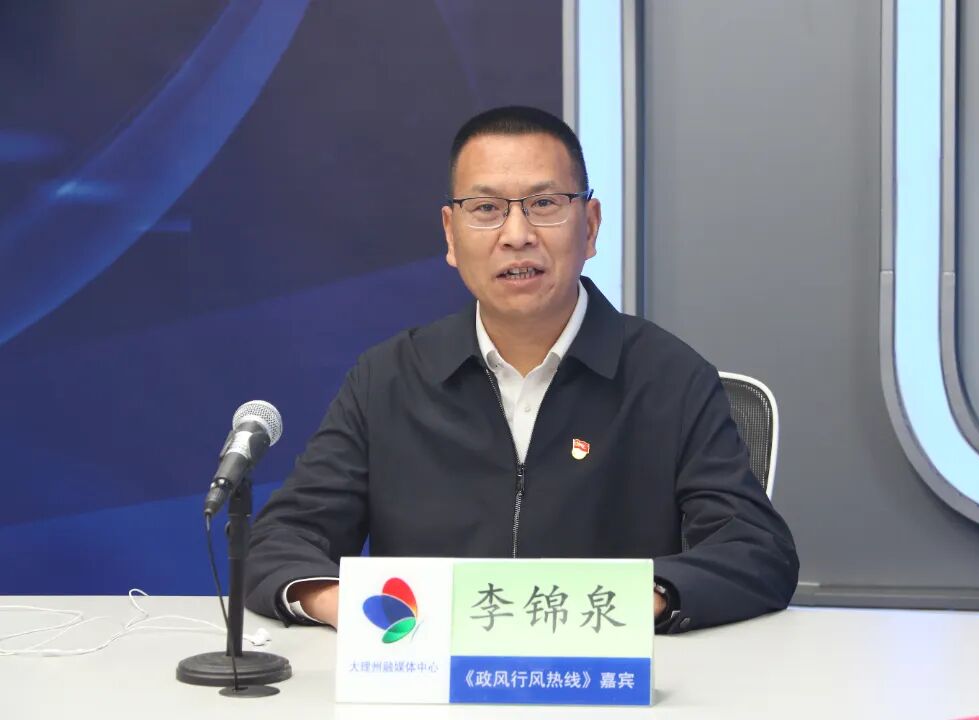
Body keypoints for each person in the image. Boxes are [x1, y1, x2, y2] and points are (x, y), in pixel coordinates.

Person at [245, 106, 798, 633]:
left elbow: (755, 550)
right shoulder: (388, 378)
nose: (516, 234)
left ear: (590, 226)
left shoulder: (670, 378)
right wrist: (356, 609)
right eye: (486, 209)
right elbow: (282, 540)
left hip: (602, 679)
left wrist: (633, 608)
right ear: (450, 234)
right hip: (428, 675)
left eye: (544, 203)